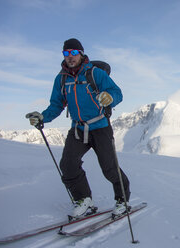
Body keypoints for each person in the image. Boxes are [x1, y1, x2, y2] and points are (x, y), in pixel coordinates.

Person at [26, 38, 130, 217]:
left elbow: (116, 92)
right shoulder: (61, 79)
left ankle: (122, 200)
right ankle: (84, 199)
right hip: (78, 129)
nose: (70, 57)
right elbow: (56, 105)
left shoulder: (95, 73)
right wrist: (43, 117)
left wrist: (109, 98)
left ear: (81, 54)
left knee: (109, 167)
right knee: (68, 165)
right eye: (66, 53)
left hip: (100, 127)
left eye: (73, 53)